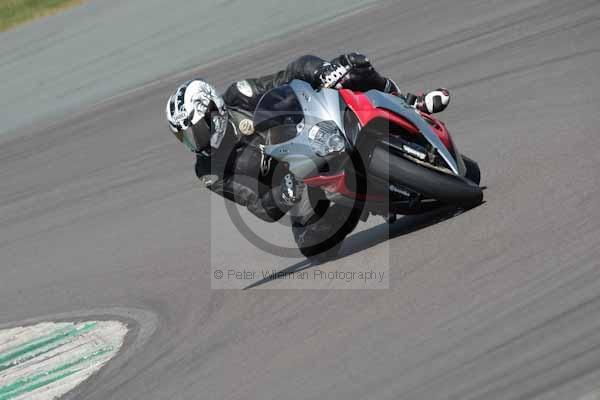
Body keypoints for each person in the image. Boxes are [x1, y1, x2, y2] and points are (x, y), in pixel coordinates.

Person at [165, 53, 451, 226]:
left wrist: (322, 71)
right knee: (314, 235)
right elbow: (257, 205)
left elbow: (287, 76)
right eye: (185, 137)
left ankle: (411, 102)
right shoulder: (208, 170)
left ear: (213, 109)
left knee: (352, 68)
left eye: (195, 131)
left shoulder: (240, 95)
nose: (194, 142)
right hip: (300, 184)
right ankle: (362, 200)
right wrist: (284, 194)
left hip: (310, 130)